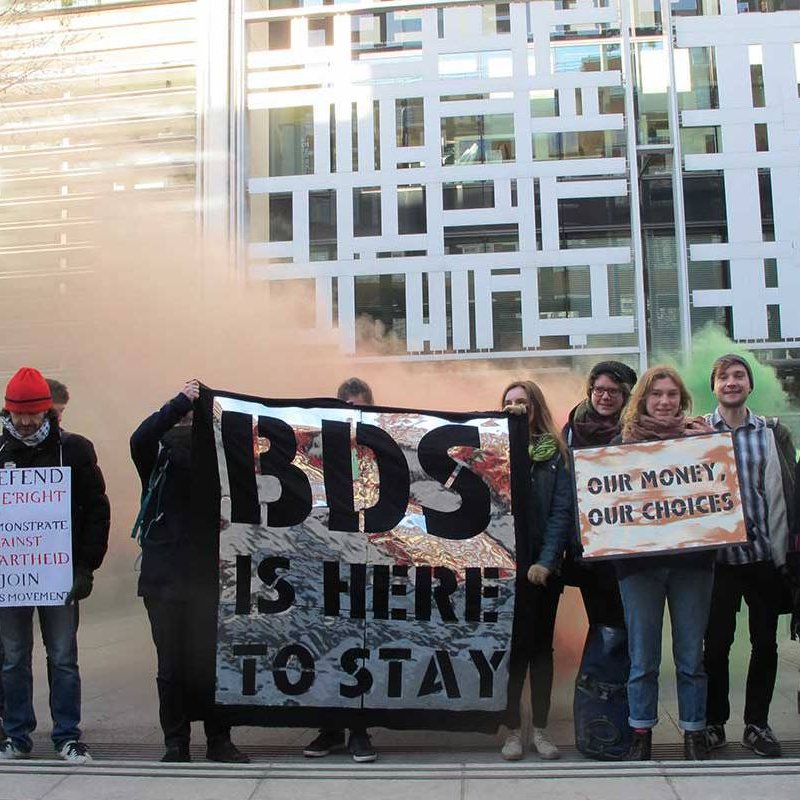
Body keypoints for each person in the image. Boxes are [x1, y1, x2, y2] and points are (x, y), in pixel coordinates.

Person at [130, 380, 250, 763]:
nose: (183, 420)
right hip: (165, 578)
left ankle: (217, 739)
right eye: (179, 415)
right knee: (171, 666)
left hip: (206, 579)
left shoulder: (217, 459)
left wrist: (211, 412)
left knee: (211, 663)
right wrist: (180, 401)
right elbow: (140, 437)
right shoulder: (156, 457)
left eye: (189, 416)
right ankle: (177, 742)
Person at [0, 367, 110, 763]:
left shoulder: (74, 449)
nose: (26, 422)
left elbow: (97, 509)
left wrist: (86, 567)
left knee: (63, 657)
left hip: (58, 575)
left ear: (47, 411)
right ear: (7, 411)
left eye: (33, 413)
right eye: (18, 414)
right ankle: (16, 735)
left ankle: (67, 734)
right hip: (11, 576)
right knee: (13, 657)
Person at [615, 365, 715, 761]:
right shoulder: (621, 445)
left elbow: (727, 491)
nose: (664, 401)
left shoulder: (703, 437)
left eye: (672, 394)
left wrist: (713, 445)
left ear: (682, 399)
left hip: (693, 563)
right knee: (643, 659)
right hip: (639, 567)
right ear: (643, 399)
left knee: (691, 658)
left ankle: (694, 734)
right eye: (656, 394)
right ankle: (640, 734)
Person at [702, 354, 796, 758]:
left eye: (739, 376)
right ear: (714, 386)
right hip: (718, 562)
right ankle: (714, 723)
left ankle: (757, 723)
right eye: (724, 376)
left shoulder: (774, 433)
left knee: (765, 645)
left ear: (750, 385)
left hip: (764, 558)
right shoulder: (696, 433)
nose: (732, 382)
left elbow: (789, 493)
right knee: (716, 645)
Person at [303, 377, 377, 763]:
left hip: (365, 558)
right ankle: (330, 728)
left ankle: (359, 731)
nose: (353, 414)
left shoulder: (382, 447)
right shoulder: (318, 449)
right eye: (346, 407)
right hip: (326, 558)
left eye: (360, 408)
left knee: (360, 642)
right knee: (325, 642)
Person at [500, 380, 573, 761]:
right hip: (504, 572)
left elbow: (562, 513)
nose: (515, 407)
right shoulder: (492, 451)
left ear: (535, 407)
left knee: (541, 651)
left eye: (522, 402)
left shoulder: (556, 453)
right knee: (513, 653)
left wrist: (546, 561)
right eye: (509, 402)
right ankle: (513, 729)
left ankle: (540, 729)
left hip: (543, 571)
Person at [562, 361, 637, 627]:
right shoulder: (571, 429)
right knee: (599, 620)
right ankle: (597, 669)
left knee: (626, 620)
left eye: (613, 391)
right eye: (599, 389)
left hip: (629, 545)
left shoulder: (639, 430)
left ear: (627, 395)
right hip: (587, 546)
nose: (605, 396)